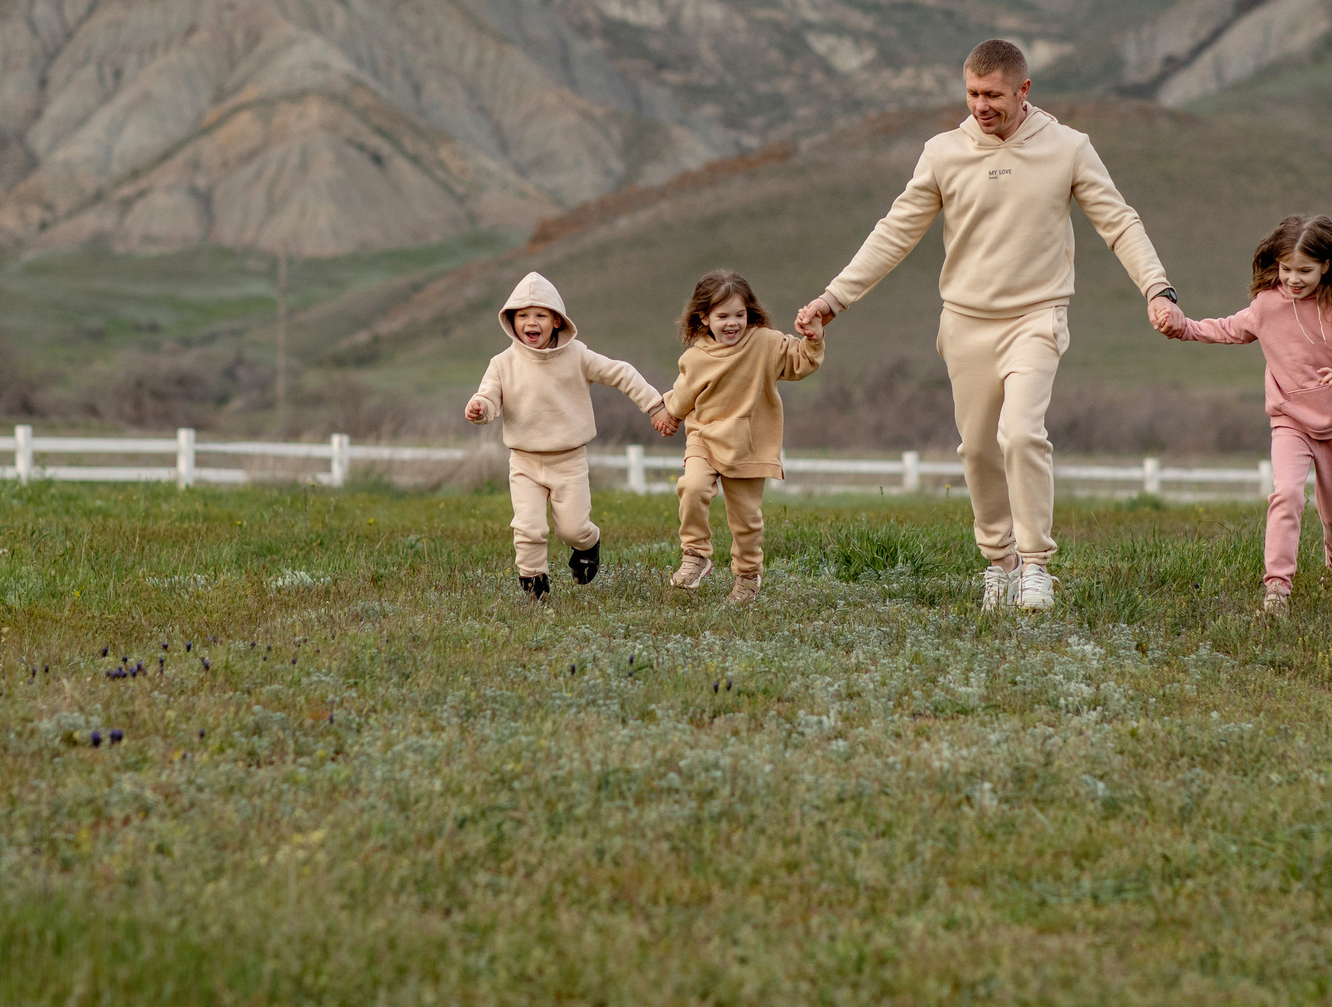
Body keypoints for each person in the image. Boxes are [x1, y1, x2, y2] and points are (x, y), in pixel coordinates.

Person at [796, 39, 1180, 613]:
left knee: (1020, 434)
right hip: (966, 323)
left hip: (1037, 316)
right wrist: (834, 299)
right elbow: (895, 232)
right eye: (973, 93)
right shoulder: (942, 152)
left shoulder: (1069, 148)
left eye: (993, 94)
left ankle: (1036, 568)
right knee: (977, 451)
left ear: (1024, 91)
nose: (981, 105)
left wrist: (1157, 288)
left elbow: (1120, 223)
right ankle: (998, 565)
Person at [1154, 214, 1332, 617]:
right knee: (1287, 495)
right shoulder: (1267, 306)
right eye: (1286, 269)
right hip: (1289, 420)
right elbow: (1225, 328)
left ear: (1326, 266)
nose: (1294, 279)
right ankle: (1277, 591)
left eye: (1305, 270)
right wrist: (1182, 326)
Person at [466, 270, 677, 600]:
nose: (530, 322)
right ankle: (535, 587)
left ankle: (588, 545)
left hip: (569, 460)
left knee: (573, 529)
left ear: (557, 321)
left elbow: (622, 373)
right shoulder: (502, 363)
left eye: (540, 315)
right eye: (522, 315)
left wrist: (655, 406)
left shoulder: (579, 356)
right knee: (528, 528)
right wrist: (480, 406)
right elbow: (490, 396)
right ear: (511, 320)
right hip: (523, 461)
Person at [662, 270, 825, 606]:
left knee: (746, 520)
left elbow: (802, 362)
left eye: (740, 314)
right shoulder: (695, 358)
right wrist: (667, 415)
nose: (732, 323)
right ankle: (695, 554)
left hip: (749, 445)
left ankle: (748, 576)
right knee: (692, 488)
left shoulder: (765, 343)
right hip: (704, 438)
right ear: (704, 317)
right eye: (723, 316)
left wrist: (813, 338)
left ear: (750, 313)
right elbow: (680, 399)